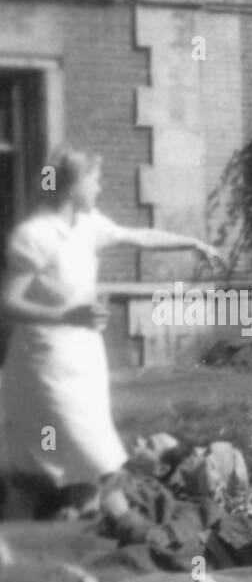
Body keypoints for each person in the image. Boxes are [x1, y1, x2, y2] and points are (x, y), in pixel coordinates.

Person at [0, 148, 221, 520]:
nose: (100, 187)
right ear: (71, 186)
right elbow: (7, 304)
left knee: (85, 464)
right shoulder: (33, 236)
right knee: (68, 457)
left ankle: (79, 531)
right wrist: (64, 314)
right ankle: (31, 540)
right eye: (95, 179)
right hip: (42, 368)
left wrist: (193, 243)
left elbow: (141, 235)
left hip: (83, 361)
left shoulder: (89, 225)